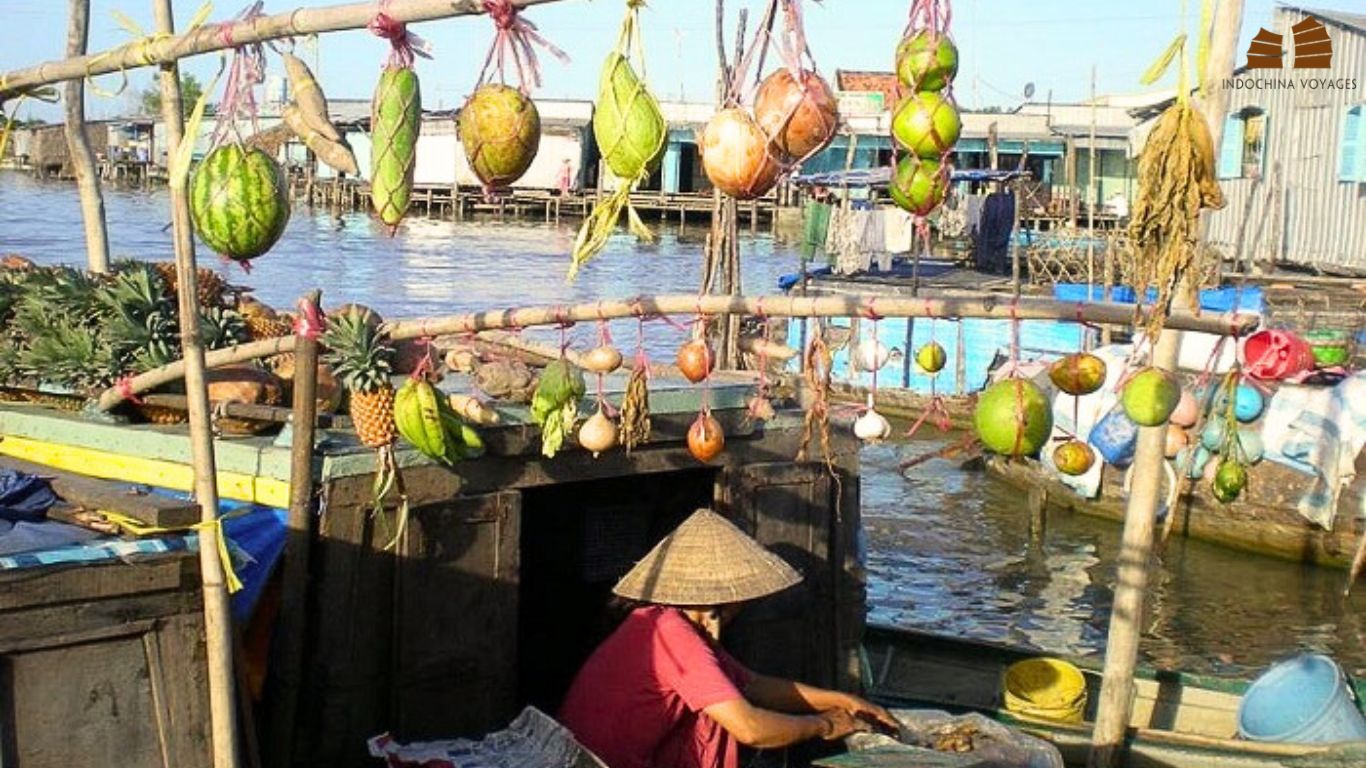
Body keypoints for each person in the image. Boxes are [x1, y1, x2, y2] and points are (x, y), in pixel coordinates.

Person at [559, 509, 898, 768]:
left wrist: (841, 700)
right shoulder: (672, 634)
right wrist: (823, 725)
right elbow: (749, 728)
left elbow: (752, 685)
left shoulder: (655, 619)